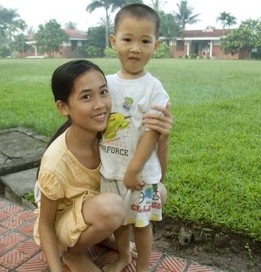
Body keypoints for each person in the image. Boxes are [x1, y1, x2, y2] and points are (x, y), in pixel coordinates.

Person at [33, 60, 172, 272]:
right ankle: (72, 253)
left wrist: (162, 140)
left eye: (103, 92)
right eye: (86, 96)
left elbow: (156, 177)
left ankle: (105, 239)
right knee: (112, 208)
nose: (100, 104)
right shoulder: (56, 162)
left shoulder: (113, 136)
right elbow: (45, 224)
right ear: (63, 107)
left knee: (156, 193)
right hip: (63, 220)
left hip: (95, 209)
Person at [99, 4, 169, 272]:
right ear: (114, 42)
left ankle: (142, 267)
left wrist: (134, 170)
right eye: (127, 39)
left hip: (140, 176)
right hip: (109, 170)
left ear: (156, 45)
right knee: (119, 222)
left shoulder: (154, 87)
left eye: (145, 41)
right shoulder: (105, 83)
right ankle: (123, 256)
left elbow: (153, 132)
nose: (135, 48)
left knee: (141, 224)